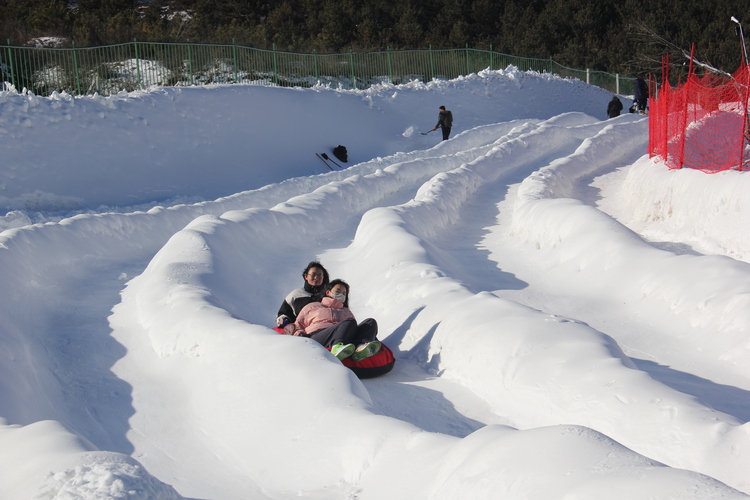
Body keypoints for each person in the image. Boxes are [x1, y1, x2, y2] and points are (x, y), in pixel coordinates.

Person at [282, 279, 381, 361]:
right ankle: (337, 347)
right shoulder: (312, 306)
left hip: (342, 335)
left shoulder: (346, 311)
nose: (341, 294)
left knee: (370, 322)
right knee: (349, 322)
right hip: (318, 335)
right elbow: (299, 324)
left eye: (344, 293)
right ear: (328, 292)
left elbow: (353, 329)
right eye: (338, 291)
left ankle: (360, 348)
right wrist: (299, 334)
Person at [276, 261, 330, 327]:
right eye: (313, 275)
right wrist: (284, 320)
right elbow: (283, 313)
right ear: (306, 276)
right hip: (300, 330)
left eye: (320, 275)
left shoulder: (328, 296)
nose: (316, 278)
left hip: (324, 328)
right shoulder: (296, 295)